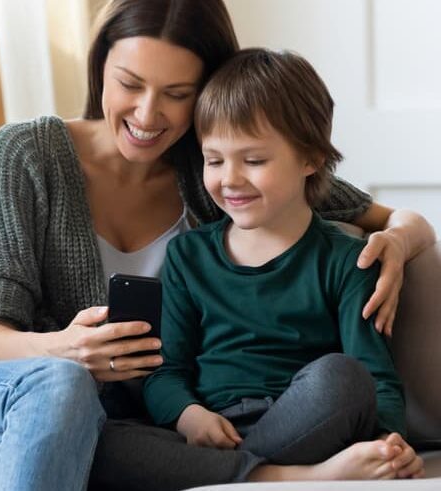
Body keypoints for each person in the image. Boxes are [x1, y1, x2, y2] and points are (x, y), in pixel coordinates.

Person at [0, 0, 435, 489]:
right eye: (129, 84)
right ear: (100, 67)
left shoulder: (215, 173)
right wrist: (62, 350)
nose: (147, 114)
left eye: (177, 94)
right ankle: (273, 476)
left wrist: (397, 244)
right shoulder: (26, 153)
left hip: (77, 428)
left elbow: (383, 210)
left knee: (41, 451)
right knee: (66, 388)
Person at [133, 47, 423, 487]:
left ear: (310, 159)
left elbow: (374, 375)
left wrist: (389, 443)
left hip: (303, 420)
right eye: (214, 160)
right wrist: (190, 415)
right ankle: (295, 477)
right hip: (215, 430)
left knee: (343, 377)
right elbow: (166, 372)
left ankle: (239, 475)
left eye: (253, 161)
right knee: (106, 437)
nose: (229, 179)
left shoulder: (347, 259)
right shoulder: (187, 257)